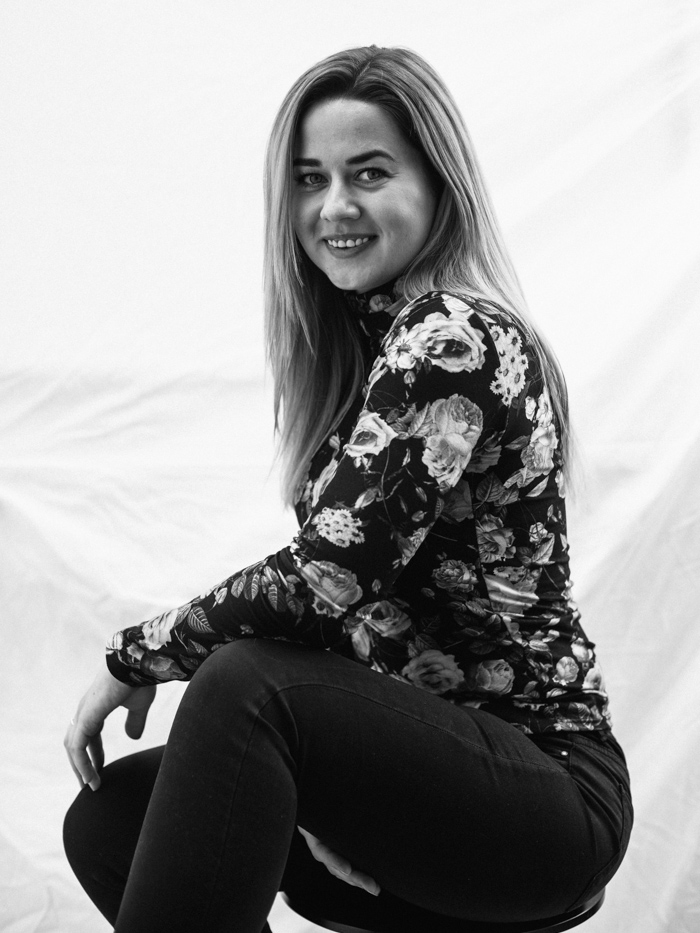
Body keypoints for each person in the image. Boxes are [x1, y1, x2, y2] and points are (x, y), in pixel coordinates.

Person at [63, 45, 633, 933]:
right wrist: (331, 787)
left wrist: (134, 655)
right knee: (115, 818)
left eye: (369, 172)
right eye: (309, 179)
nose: (334, 206)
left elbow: (325, 581)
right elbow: (356, 618)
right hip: (421, 775)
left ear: (439, 184)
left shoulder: (454, 336)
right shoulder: (363, 352)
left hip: (545, 796)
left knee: (248, 683)